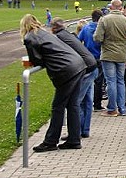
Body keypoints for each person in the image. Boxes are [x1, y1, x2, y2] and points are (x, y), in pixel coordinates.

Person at [20, 14, 86, 152]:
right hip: (78, 65)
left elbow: (36, 59)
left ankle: (50, 141)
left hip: (66, 70)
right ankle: (74, 140)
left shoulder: (29, 38)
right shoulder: (45, 33)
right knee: (72, 105)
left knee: (58, 106)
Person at [50, 17, 98, 141]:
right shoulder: (69, 35)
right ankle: (84, 130)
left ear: (53, 28)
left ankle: (76, 133)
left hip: (85, 69)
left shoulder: (59, 38)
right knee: (87, 101)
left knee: (75, 102)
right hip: (92, 65)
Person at [93, 0, 126, 116]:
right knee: (120, 81)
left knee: (111, 81)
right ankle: (122, 108)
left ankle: (112, 108)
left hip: (108, 55)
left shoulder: (104, 20)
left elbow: (97, 38)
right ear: (121, 8)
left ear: (110, 7)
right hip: (122, 55)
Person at [78, 10, 105, 112]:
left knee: (88, 82)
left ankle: (85, 102)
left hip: (88, 58)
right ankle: (97, 104)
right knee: (99, 81)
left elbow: (78, 40)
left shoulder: (85, 28)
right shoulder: (102, 29)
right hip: (99, 56)